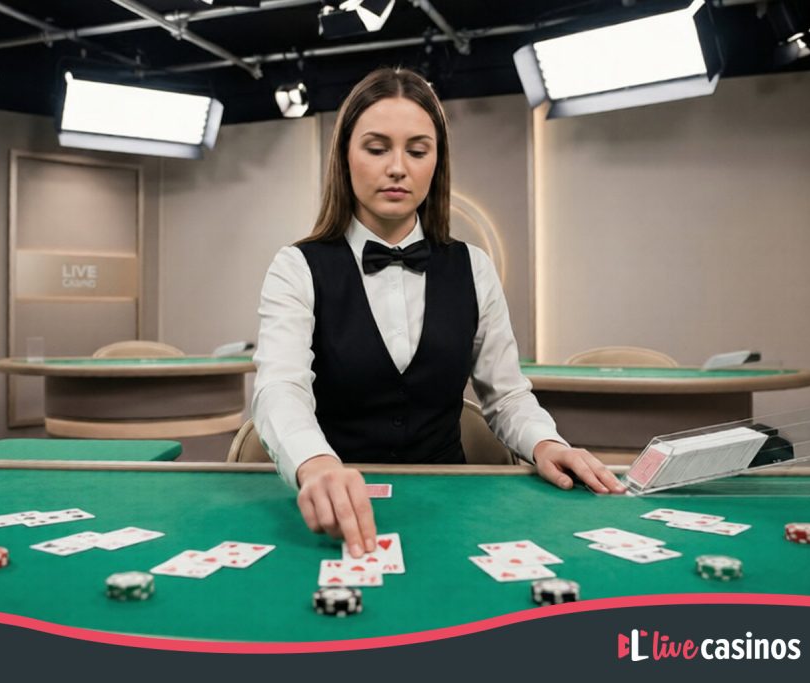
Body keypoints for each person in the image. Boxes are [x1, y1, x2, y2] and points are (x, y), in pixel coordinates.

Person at [252, 67, 624, 558]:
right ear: (345, 157)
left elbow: (507, 396)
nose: (398, 167)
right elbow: (279, 388)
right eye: (377, 147)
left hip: (455, 506)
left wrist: (547, 443)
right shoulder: (296, 266)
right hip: (337, 504)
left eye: (417, 150)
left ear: (437, 162)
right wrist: (315, 462)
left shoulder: (475, 266)